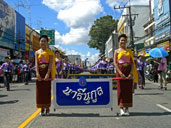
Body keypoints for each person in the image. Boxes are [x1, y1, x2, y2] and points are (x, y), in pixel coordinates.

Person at [114, 34, 138, 116]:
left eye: (124, 40)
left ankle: (127, 108)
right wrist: (120, 73)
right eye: (121, 40)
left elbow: (132, 63)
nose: (123, 42)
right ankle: (121, 108)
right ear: (119, 42)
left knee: (128, 90)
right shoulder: (116, 51)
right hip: (120, 71)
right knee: (121, 90)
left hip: (128, 71)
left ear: (126, 42)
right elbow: (115, 63)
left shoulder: (129, 51)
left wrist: (131, 73)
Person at [35, 35, 56, 116]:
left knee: (47, 91)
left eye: (44, 41)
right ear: (39, 42)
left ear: (47, 43)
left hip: (47, 72)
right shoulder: (37, 52)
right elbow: (36, 64)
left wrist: (48, 74)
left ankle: (47, 109)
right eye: (41, 41)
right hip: (40, 72)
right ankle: (42, 109)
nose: (42, 42)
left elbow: (50, 64)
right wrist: (37, 73)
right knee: (39, 91)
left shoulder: (50, 52)